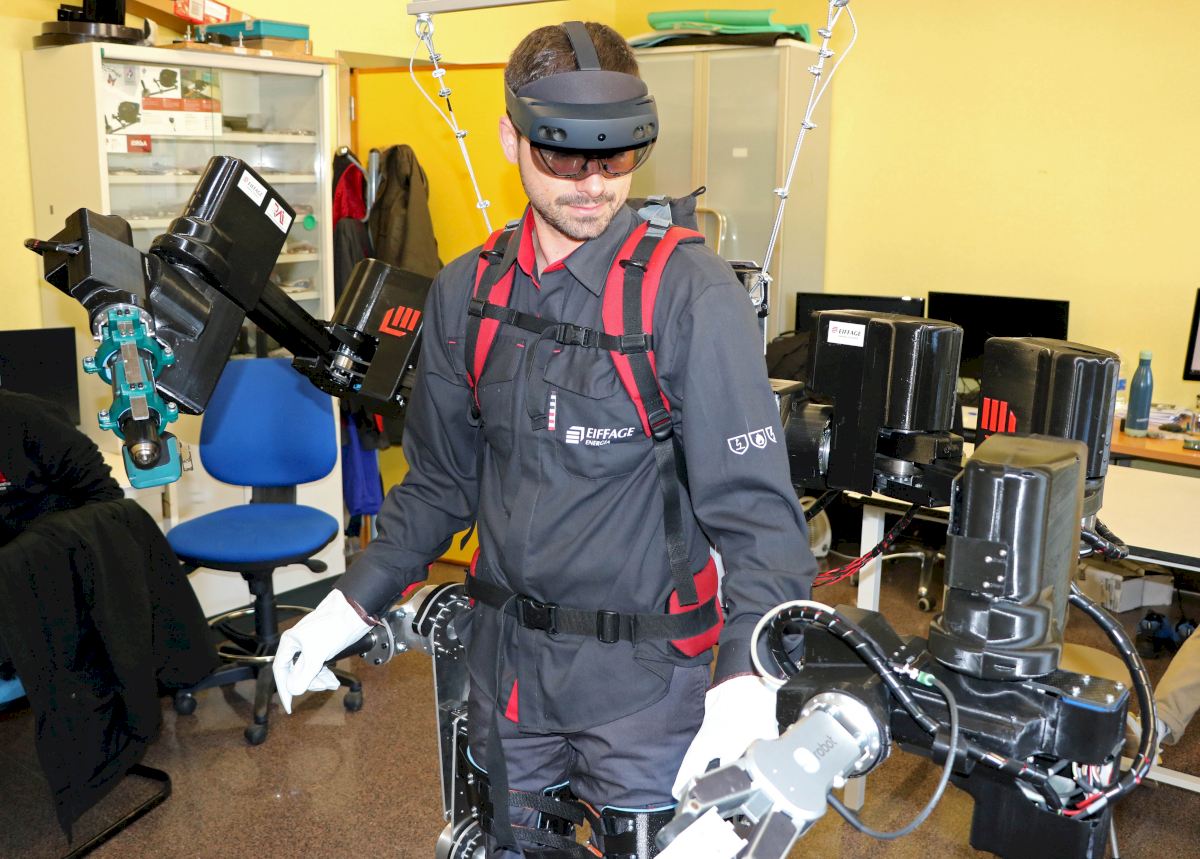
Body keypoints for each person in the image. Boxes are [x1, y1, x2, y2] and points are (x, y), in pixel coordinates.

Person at [273, 21, 816, 857]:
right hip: (509, 682)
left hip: (647, 693)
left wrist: (748, 673)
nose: (594, 184)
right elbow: (440, 482)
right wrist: (349, 602)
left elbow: (759, 521)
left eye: (618, 156)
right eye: (564, 156)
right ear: (512, 139)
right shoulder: (468, 293)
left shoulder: (689, 295)